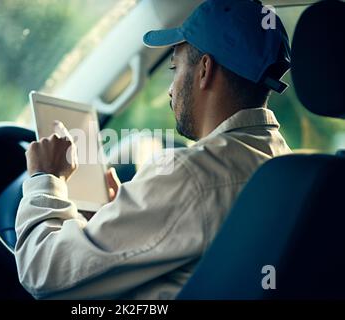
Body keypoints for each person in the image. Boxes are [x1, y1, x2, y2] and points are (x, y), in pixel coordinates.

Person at [15, 0, 292, 299]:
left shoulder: (192, 175)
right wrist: (124, 213)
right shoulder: (287, 167)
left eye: (175, 67)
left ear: (204, 70)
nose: (170, 89)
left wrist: (45, 180)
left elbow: (43, 271)